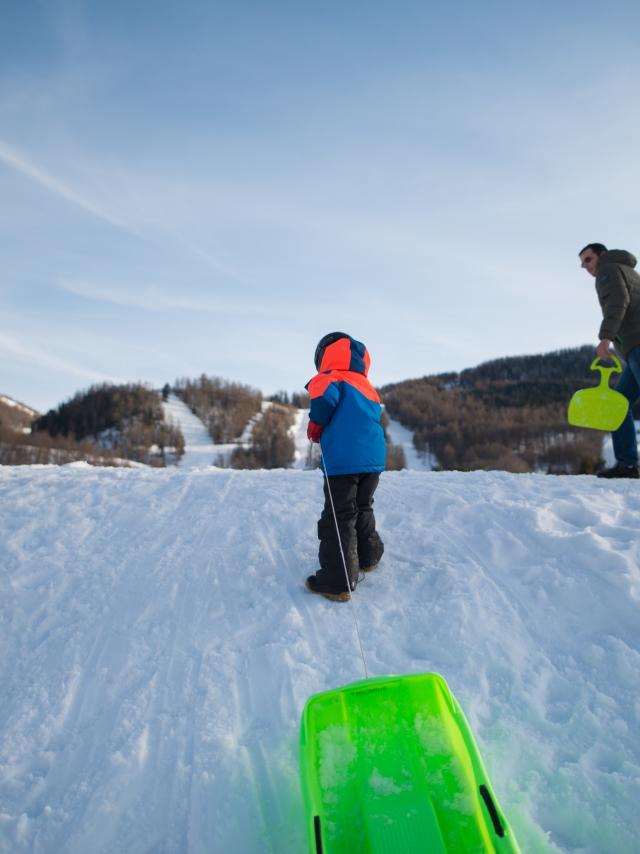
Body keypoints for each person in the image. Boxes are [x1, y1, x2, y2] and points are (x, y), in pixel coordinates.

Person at [305, 332, 386, 601]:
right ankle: (369, 556)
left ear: (324, 356)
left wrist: (315, 428)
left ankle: (336, 581)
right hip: (373, 459)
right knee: (362, 506)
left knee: (339, 515)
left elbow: (322, 404)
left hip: (344, 460)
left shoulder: (329, 378)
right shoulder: (366, 385)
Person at [579, 243, 640, 478]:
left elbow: (618, 302)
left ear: (601, 256)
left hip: (637, 344)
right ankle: (628, 464)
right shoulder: (626, 270)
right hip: (633, 347)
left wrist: (605, 337)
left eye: (588, 259)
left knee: (617, 404)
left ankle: (628, 464)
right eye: (582, 263)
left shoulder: (607, 270)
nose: (585, 266)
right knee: (618, 403)